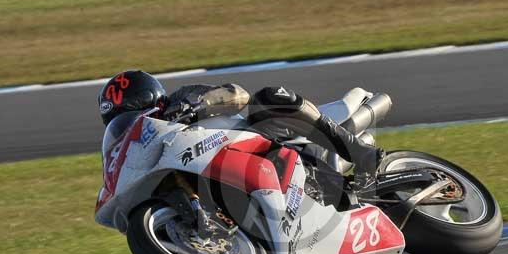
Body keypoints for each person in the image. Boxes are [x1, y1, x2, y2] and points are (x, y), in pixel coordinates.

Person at [98, 70, 384, 175]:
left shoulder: (180, 99)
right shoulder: (142, 146)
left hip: (256, 139)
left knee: (269, 97)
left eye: (131, 114)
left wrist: (197, 105)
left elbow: (238, 94)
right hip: (221, 170)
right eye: (119, 122)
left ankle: (358, 151)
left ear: (151, 100)